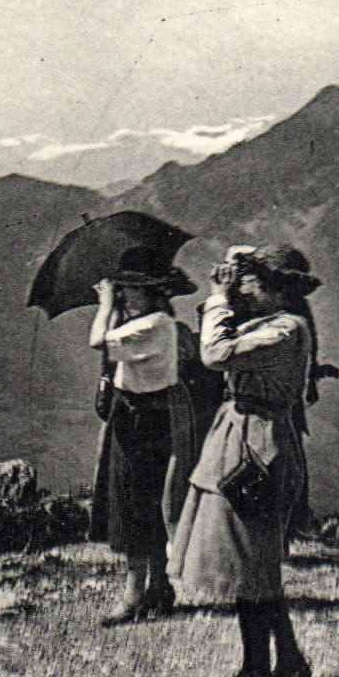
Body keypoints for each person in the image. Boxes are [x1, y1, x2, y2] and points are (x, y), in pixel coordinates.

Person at [168, 244, 318, 677]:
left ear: (277, 288)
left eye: (250, 283)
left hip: (258, 447)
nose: (243, 291)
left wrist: (218, 298)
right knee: (253, 562)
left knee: (250, 564)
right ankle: (287, 661)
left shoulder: (285, 330)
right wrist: (227, 298)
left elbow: (215, 353)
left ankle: (255, 675)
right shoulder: (273, 322)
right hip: (244, 438)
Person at [88, 246, 199, 625]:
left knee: (134, 503)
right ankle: (158, 587)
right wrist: (115, 310)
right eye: (122, 289)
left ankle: (134, 596)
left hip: (143, 421)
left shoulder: (154, 325)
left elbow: (98, 341)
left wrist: (105, 305)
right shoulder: (152, 324)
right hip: (141, 415)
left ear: (152, 292)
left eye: (132, 289)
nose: (125, 295)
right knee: (145, 502)